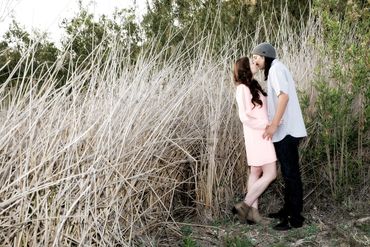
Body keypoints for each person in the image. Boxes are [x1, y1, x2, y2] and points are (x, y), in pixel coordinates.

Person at [251, 42, 307, 231]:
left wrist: (273, 125)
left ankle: (294, 219)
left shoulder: (275, 70)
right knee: (288, 173)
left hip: (287, 131)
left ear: (265, 56)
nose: (255, 61)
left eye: (257, 57)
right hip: (287, 131)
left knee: (291, 175)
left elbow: (283, 97)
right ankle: (287, 210)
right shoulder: (276, 69)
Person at [232, 57, 277, 225]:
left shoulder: (254, 85)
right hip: (257, 135)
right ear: (244, 68)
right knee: (271, 173)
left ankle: (254, 214)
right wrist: (266, 124)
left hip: (263, 134)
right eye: (251, 62)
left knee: (256, 172)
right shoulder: (242, 88)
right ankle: (244, 206)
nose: (255, 63)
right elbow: (244, 117)